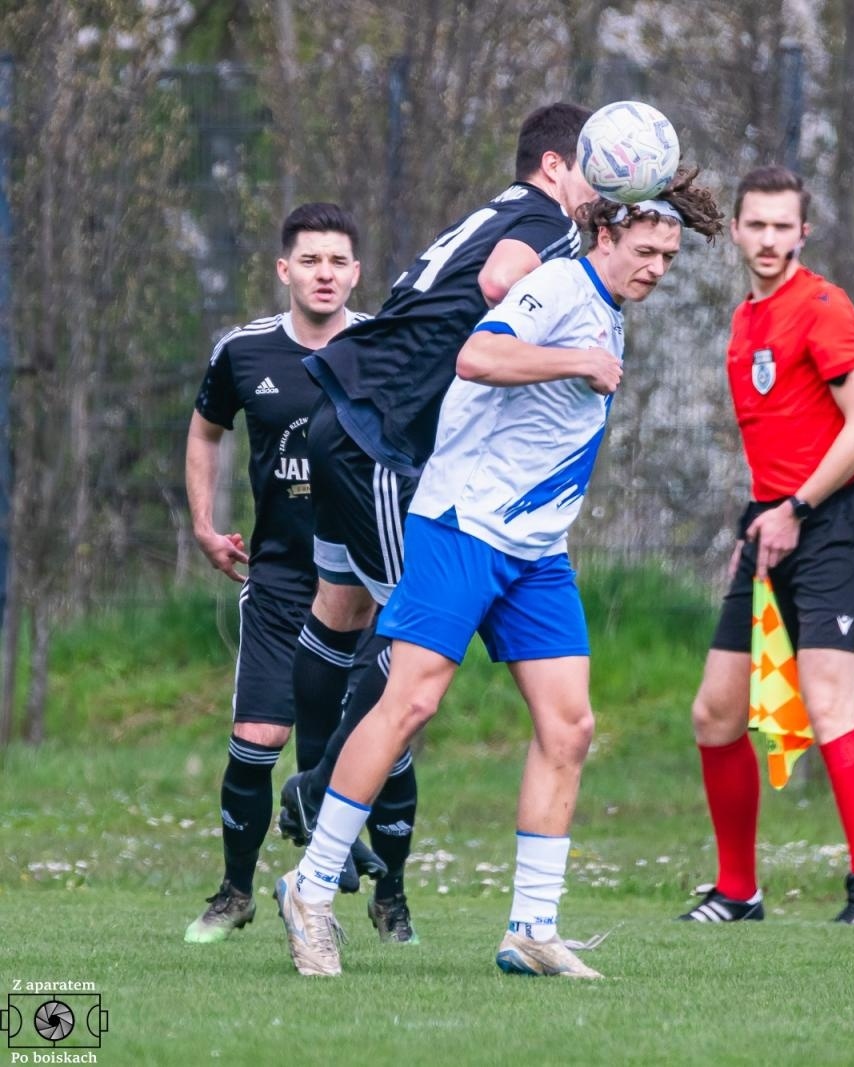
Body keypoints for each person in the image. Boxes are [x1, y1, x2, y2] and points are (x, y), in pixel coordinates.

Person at [274, 169, 725, 978]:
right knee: (409, 702)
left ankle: (531, 928)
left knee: (569, 725)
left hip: (536, 550)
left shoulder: (609, 310)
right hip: (463, 525)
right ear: (606, 234)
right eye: (646, 250)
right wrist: (577, 360)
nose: (657, 267)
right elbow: (477, 355)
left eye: (668, 256)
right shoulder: (560, 286)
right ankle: (309, 889)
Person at [275, 103, 596, 944]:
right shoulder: (545, 222)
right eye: (594, 168)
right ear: (556, 166)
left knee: (344, 610)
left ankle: (322, 793)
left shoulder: (501, 207)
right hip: (380, 437)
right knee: (412, 648)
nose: (600, 188)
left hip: (349, 414)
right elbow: (496, 283)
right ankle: (318, 796)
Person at [679, 165, 854, 927]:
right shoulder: (745, 319)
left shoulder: (823, 306)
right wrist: (763, 519)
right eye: (756, 225)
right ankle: (738, 890)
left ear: (803, 232)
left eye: (782, 226)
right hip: (770, 527)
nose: (768, 239)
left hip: (832, 522)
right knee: (715, 713)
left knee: (830, 706)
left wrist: (797, 506)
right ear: (736, 230)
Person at [184, 203, 378, 942]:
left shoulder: (382, 346)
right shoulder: (244, 351)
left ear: (356, 273)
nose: (324, 273)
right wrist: (204, 525)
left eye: (338, 261)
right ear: (284, 269)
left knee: (363, 743)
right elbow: (206, 430)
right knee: (258, 736)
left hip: (362, 584)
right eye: (310, 260)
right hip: (279, 580)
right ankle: (234, 892)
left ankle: (361, 894)